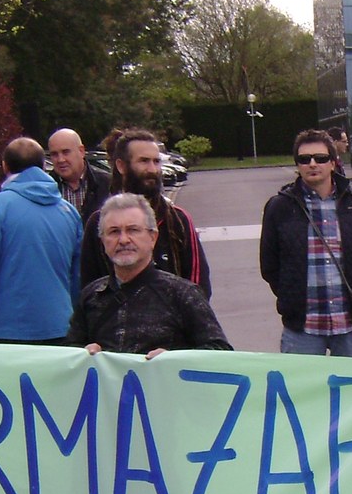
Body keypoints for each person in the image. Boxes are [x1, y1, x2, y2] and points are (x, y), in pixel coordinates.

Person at [259, 129, 352, 356]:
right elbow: (269, 265)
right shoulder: (279, 207)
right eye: (304, 159)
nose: (312, 164)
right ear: (298, 165)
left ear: (333, 163)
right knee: (300, 391)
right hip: (302, 327)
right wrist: (290, 296)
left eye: (320, 158)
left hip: (350, 324)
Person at [68, 194, 230, 358]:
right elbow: (67, 353)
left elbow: (221, 353)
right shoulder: (91, 297)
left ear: (153, 237)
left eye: (133, 230)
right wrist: (83, 353)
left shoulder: (183, 295)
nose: (123, 239)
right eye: (114, 232)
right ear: (102, 241)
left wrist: (175, 359)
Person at [0, 137, 83, 345]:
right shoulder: (69, 212)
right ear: (44, 166)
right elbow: (77, 277)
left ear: (5, 166)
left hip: (6, 332)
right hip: (61, 328)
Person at [78, 129, 209, 294]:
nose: (153, 169)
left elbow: (199, 287)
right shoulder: (99, 222)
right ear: (121, 166)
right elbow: (90, 290)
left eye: (156, 161)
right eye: (144, 161)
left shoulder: (178, 221)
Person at [48, 128, 110, 222]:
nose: (60, 159)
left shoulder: (108, 184)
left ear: (81, 151)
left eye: (66, 152)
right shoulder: (45, 188)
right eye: (54, 154)